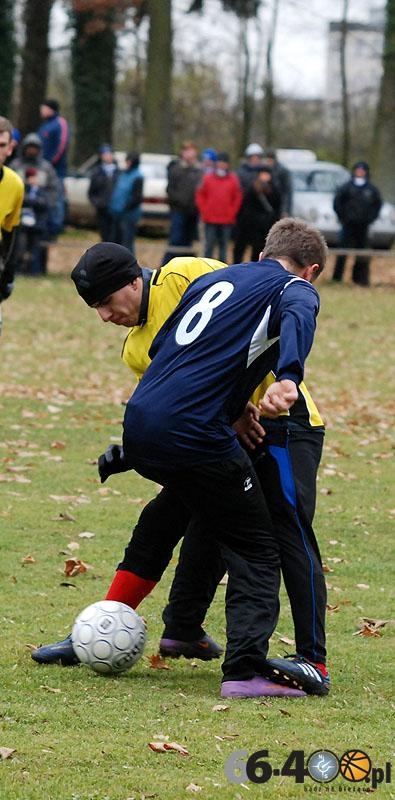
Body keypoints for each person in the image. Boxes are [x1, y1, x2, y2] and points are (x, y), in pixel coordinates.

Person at [32, 230, 330, 697]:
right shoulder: (136, 346)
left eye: (108, 302)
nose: (106, 316)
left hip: (281, 426)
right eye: (96, 309)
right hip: (211, 430)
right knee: (192, 518)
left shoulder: (195, 274)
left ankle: (310, 657)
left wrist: (285, 380)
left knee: (278, 530)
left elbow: (272, 313)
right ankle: (160, 632)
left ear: (134, 281)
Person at [117, 217, 327, 699]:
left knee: (195, 514)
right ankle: (260, 668)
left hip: (144, 423)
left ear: (258, 255)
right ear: (311, 270)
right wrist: (289, 377)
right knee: (263, 543)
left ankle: (181, 626)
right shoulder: (296, 287)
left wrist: (233, 410)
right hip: (200, 432)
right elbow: (298, 312)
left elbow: (169, 350)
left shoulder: (214, 278)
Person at [10, 133, 59, 275]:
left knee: (37, 246)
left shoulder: (46, 168)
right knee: (18, 244)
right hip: (19, 213)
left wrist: (45, 203)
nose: (31, 151)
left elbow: (54, 190)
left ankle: (35, 270)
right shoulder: (16, 166)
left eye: (34, 148)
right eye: (29, 147)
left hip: (40, 215)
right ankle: (17, 269)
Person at [332, 161, 382, 287]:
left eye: (362, 170)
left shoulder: (371, 190)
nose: (360, 172)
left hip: (363, 226)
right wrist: (343, 217)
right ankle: (337, 278)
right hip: (347, 225)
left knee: (362, 253)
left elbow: (377, 206)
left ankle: (361, 279)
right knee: (342, 252)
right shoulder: (346, 188)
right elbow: (337, 203)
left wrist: (370, 218)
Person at [195, 152, 242, 262]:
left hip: (226, 220)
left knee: (223, 248)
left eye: (224, 163)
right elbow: (200, 195)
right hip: (210, 219)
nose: (222, 165)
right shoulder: (208, 178)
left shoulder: (233, 179)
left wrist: (231, 212)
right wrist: (204, 210)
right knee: (208, 247)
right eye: (220, 162)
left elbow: (237, 197)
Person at [162, 141, 202, 263]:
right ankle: (167, 264)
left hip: (193, 212)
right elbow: (170, 190)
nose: (189, 154)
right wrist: (179, 202)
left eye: (191, 150)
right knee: (176, 239)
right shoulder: (176, 169)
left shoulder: (199, 171)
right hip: (178, 210)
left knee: (188, 241)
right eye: (186, 151)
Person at [0, 117, 24, 317]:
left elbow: (10, 233)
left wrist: (7, 274)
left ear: (10, 148)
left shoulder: (15, 184)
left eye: (1, 145)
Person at [233, 167, 281, 262]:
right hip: (247, 225)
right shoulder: (251, 189)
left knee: (258, 251)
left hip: (263, 228)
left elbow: (276, 208)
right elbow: (245, 207)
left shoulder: (274, 190)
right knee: (240, 248)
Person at [37, 98, 70, 237]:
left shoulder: (60, 123)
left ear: (50, 109)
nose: (41, 111)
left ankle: (55, 228)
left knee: (56, 199)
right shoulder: (44, 126)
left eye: (43, 108)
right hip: (42, 169)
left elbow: (61, 145)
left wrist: (50, 163)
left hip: (56, 171)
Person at [15, 167, 51, 276]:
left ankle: (33, 271)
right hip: (23, 225)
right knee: (20, 247)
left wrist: (30, 201)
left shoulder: (42, 191)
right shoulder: (23, 188)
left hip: (37, 225)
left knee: (35, 249)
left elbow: (44, 204)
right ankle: (19, 269)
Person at [109, 152, 143, 256]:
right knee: (116, 241)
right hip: (117, 212)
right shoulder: (123, 174)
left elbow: (136, 198)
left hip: (128, 214)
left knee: (126, 242)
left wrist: (125, 207)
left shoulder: (137, 177)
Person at [88, 144, 120, 242]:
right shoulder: (96, 172)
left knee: (116, 236)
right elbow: (91, 192)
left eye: (109, 154)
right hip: (102, 209)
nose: (107, 157)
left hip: (116, 209)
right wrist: (97, 203)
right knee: (104, 235)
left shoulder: (119, 172)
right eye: (105, 154)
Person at [262, 148, 293, 217]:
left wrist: (285, 210)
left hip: (279, 206)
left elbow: (287, 192)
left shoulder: (282, 171)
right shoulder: (265, 170)